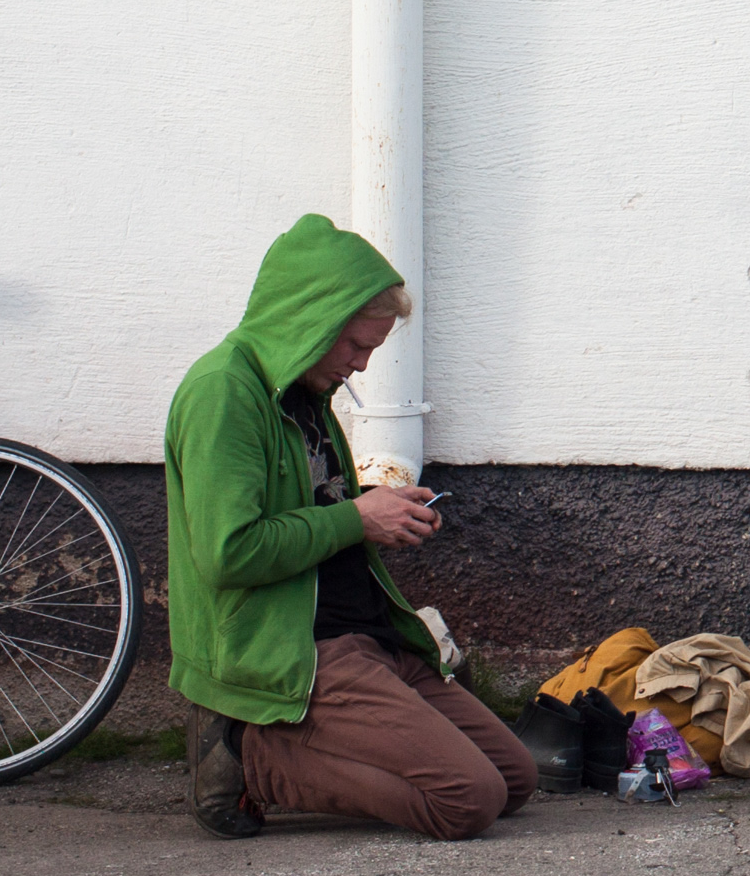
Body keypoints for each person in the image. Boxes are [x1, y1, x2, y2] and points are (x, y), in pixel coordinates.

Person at [165, 214, 533, 841]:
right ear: (311, 321)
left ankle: (316, 743)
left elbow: (311, 505)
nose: (360, 366)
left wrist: (376, 507)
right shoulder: (223, 393)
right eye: (356, 347)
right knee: (469, 801)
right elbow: (229, 553)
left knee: (515, 780)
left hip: (372, 637)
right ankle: (252, 756)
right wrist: (356, 518)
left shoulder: (305, 390)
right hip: (299, 649)